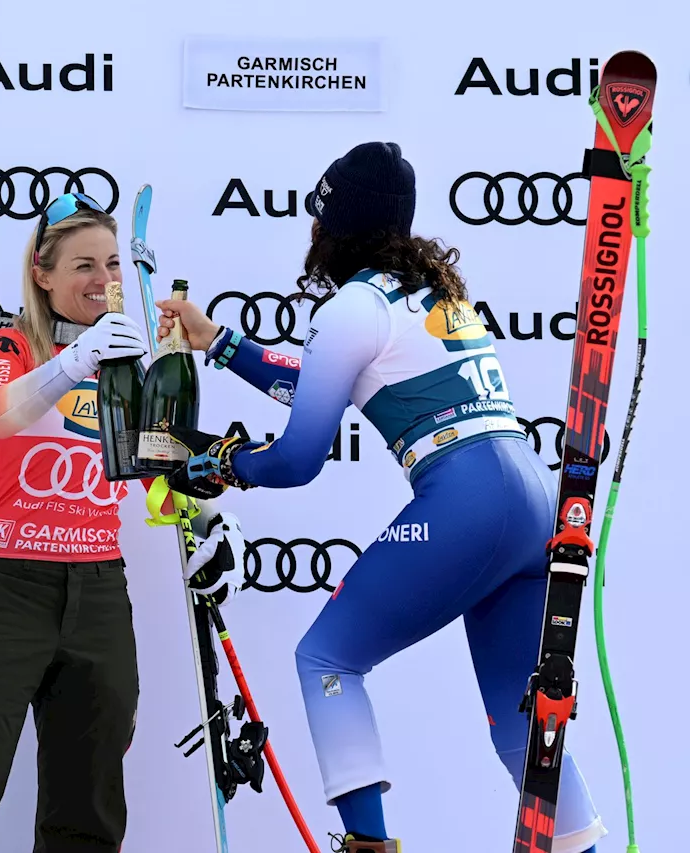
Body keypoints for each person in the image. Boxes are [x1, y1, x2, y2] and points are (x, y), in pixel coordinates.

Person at [155, 142, 605, 853]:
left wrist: (229, 461)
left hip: (468, 504)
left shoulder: (351, 308)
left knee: (326, 659)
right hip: (532, 499)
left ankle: (368, 844)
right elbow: (316, 382)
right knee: (520, 720)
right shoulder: (431, 292)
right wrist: (219, 341)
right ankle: (583, 842)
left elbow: (300, 457)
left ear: (332, 226)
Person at [0, 192, 248, 853]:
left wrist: (210, 519)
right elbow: (0, 415)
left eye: (113, 263)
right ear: (41, 271)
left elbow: (159, 465)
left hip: (96, 593)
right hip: (2, 589)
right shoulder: (10, 344)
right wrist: (73, 362)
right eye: (83, 264)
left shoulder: (128, 368)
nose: (102, 280)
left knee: (88, 802)